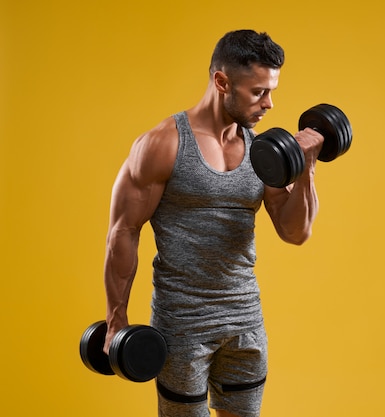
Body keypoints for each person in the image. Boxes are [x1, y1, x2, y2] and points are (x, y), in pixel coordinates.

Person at [102, 29, 323, 417]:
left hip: (246, 321)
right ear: (222, 81)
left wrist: (306, 170)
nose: (270, 103)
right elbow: (124, 231)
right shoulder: (163, 144)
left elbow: (295, 231)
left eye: (271, 90)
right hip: (183, 326)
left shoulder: (263, 152)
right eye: (258, 92)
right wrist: (115, 318)